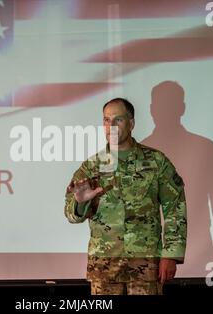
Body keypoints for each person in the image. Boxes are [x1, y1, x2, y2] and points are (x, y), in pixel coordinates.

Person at [64, 98, 187, 295]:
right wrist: (80, 204)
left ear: (131, 123)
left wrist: (171, 254)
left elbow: (175, 207)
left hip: (146, 264)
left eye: (118, 120)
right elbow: (71, 215)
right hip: (104, 266)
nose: (110, 127)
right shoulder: (91, 167)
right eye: (106, 120)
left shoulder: (156, 162)